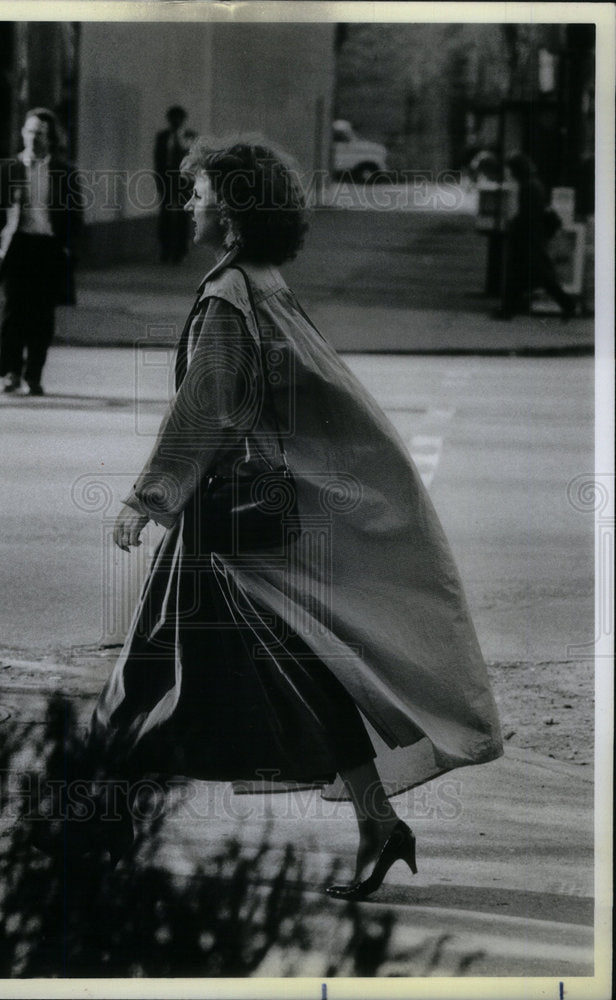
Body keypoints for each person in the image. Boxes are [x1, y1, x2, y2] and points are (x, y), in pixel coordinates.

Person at [85, 137, 503, 899]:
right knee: (294, 669)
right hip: (256, 520)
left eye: (200, 193)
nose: (189, 205)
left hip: (229, 526)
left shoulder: (230, 296)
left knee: (151, 670)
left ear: (233, 212)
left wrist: (144, 500)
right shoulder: (263, 281)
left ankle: (100, 831)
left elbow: (206, 409)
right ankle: (377, 823)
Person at [0, 108, 83, 395]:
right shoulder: (10, 168)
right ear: (22, 134)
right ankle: (11, 372)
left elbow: (75, 215)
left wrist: (69, 249)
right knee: (13, 313)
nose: (33, 138)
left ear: (50, 138)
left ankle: (34, 374)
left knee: (42, 316)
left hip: (48, 248)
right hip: (18, 245)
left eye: (40, 134)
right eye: (29, 132)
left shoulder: (64, 171)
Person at [494, 152, 576, 320]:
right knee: (529, 276)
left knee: (529, 276)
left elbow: (528, 214)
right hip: (532, 237)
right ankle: (508, 310)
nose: (509, 173)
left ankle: (567, 304)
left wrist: (514, 225)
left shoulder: (528, 187)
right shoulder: (533, 184)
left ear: (517, 170)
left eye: (511, 169)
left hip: (528, 238)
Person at [153, 106, 193, 263]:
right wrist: (159, 180)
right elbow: (158, 160)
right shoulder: (162, 137)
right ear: (169, 120)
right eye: (173, 118)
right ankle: (165, 250)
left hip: (184, 183)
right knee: (165, 217)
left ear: (183, 120)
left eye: (179, 118)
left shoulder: (189, 137)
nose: (176, 121)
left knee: (183, 217)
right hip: (167, 180)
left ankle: (180, 251)